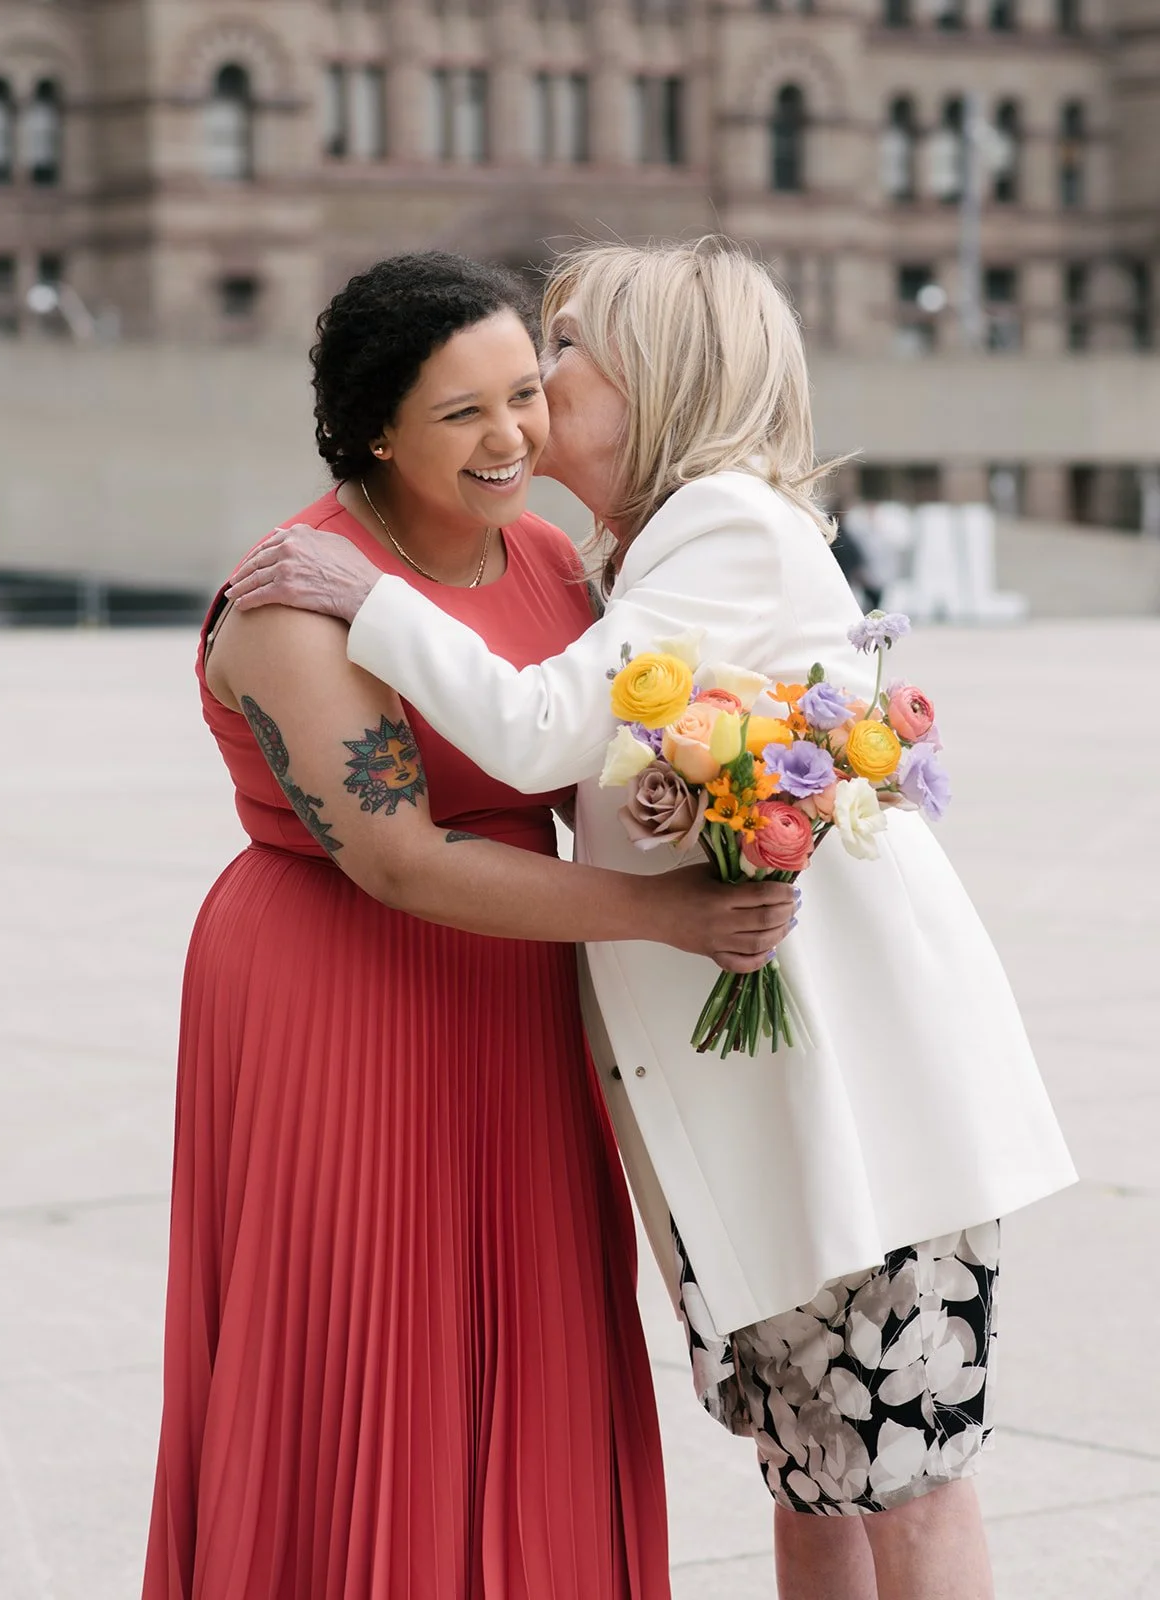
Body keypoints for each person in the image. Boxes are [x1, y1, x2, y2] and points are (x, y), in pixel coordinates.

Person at [227, 238, 1077, 1600]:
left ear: (657, 377)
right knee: (811, 1478)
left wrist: (368, 599)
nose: (533, 384)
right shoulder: (643, 551)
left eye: (564, 352)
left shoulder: (728, 525)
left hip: (857, 1108)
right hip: (767, 1120)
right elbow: (626, 757)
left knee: (906, 1484)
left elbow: (537, 731)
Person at [142, 250, 798, 1600]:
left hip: (522, 998)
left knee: (537, 1328)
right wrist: (669, 917)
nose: (511, 437)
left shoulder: (554, 555)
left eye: (524, 395)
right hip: (345, 991)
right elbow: (397, 860)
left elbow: (603, 750)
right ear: (378, 428)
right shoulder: (292, 596)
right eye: (462, 414)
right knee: (370, 1343)